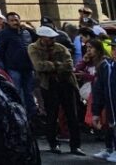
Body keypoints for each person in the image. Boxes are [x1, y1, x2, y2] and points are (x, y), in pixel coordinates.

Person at [29, 23, 83, 155]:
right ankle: (53, 143)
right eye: (49, 38)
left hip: (66, 83)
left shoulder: (61, 48)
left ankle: (75, 145)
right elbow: (38, 66)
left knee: (72, 115)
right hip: (48, 84)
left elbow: (69, 66)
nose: (52, 40)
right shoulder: (33, 48)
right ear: (42, 37)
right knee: (51, 116)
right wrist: (57, 65)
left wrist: (52, 66)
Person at [0, 10, 36, 117]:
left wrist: (29, 29)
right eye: (12, 20)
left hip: (28, 68)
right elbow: (1, 51)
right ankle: (19, 115)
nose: (15, 22)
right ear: (7, 22)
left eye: (16, 20)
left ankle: (32, 117)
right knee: (17, 93)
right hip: (14, 69)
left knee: (29, 93)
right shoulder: (4, 34)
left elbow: (35, 41)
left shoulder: (26, 32)